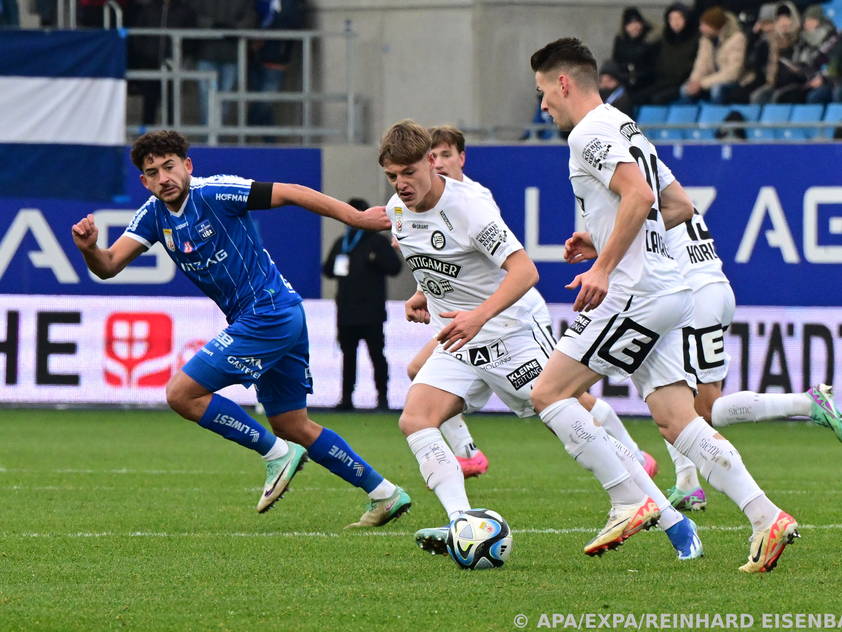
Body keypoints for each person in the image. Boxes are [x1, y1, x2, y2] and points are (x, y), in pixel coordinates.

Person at [530, 37, 797, 572]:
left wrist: (604, 266)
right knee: (678, 421)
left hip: (637, 293)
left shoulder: (588, 132)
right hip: (670, 291)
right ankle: (767, 517)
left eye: (542, 92)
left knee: (549, 392)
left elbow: (642, 198)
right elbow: (678, 204)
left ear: (564, 82)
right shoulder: (627, 126)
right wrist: (604, 242)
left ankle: (629, 498)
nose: (542, 106)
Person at [380, 120, 700, 562]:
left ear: (432, 162)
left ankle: (671, 518)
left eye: (409, 172)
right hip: (462, 344)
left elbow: (526, 272)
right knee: (416, 419)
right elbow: (434, 259)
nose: (401, 184)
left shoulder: (470, 206)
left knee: (574, 419)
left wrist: (478, 316)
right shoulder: (398, 209)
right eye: (392, 176)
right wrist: (422, 293)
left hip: (512, 336)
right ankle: (463, 523)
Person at [70, 130, 410, 528]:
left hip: (267, 312)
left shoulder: (215, 193)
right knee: (291, 424)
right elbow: (109, 265)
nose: (164, 177)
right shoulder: (152, 215)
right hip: (272, 315)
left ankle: (276, 454)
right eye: (153, 172)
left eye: (170, 166)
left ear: (187, 166)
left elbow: (292, 191)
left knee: (181, 394)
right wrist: (90, 248)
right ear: (144, 181)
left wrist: (356, 218)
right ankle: (384, 493)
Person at [322, 197, 402, 411]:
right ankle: (346, 398)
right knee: (348, 356)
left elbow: (395, 268)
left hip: (371, 311)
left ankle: (382, 398)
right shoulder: (343, 242)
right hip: (346, 310)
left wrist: (376, 260)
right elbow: (328, 269)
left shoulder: (377, 241)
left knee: (377, 355)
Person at [635, 2, 699, 105]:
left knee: (657, 99)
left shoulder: (695, 38)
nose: (675, 22)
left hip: (683, 82)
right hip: (664, 81)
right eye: (672, 19)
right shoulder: (665, 38)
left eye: (679, 18)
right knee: (638, 97)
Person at [681, 7, 747, 104]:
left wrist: (702, 83)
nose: (701, 28)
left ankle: (716, 116)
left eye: (705, 25)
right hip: (710, 81)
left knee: (717, 90)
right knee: (685, 89)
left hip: (735, 82)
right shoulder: (705, 40)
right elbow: (701, 65)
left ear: (715, 26)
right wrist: (693, 82)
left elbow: (732, 73)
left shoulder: (737, 39)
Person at [610, 7, 658, 102]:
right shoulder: (621, 41)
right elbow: (616, 62)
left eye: (637, 22)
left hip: (647, 84)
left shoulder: (650, 40)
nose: (634, 27)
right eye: (630, 24)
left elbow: (654, 67)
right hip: (624, 83)